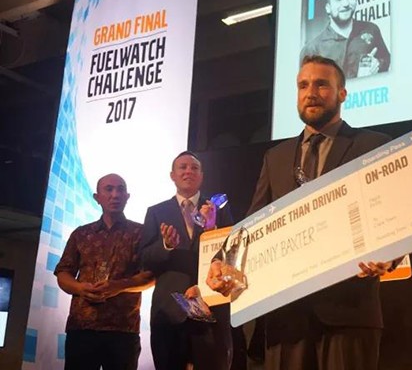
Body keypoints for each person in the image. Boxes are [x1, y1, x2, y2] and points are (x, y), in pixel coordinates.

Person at [209, 55, 393, 370]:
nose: (311, 93)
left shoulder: (372, 145)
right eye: (303, 85)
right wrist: (221, 260)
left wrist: (390, 253)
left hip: (349, 310)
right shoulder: (276, 156)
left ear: (342, 93)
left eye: (321, 84)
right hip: (285, 315)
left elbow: (391, 211)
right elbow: (254, 221)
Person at [139, 151, 235, 370]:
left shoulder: (218, 208)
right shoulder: (156, 212)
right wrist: (166, 245)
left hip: (211, 307)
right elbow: (144, 259)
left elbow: (232, 250)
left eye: (194, 168)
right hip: (169, 312)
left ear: (202, 175)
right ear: (172, 175)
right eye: (182, 167)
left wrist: (212, 228)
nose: (188, 171)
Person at [54, 173, 154, 370]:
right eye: (108, 189)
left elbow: (150, 276)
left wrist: (118, 286)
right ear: (97, 197)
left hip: (123, 329)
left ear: (127, 196)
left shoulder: (141, 233)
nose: (115, 194)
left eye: (120, 189)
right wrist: (80, 288)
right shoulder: (81, 233)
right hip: (82, 326)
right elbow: (63, 272)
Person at [300, 0, 390, 79]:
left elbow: (386, 58)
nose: (346, 4)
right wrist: (358, 81)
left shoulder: (372, 29)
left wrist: (378, 64)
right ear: (328, 8)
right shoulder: (312, 49)